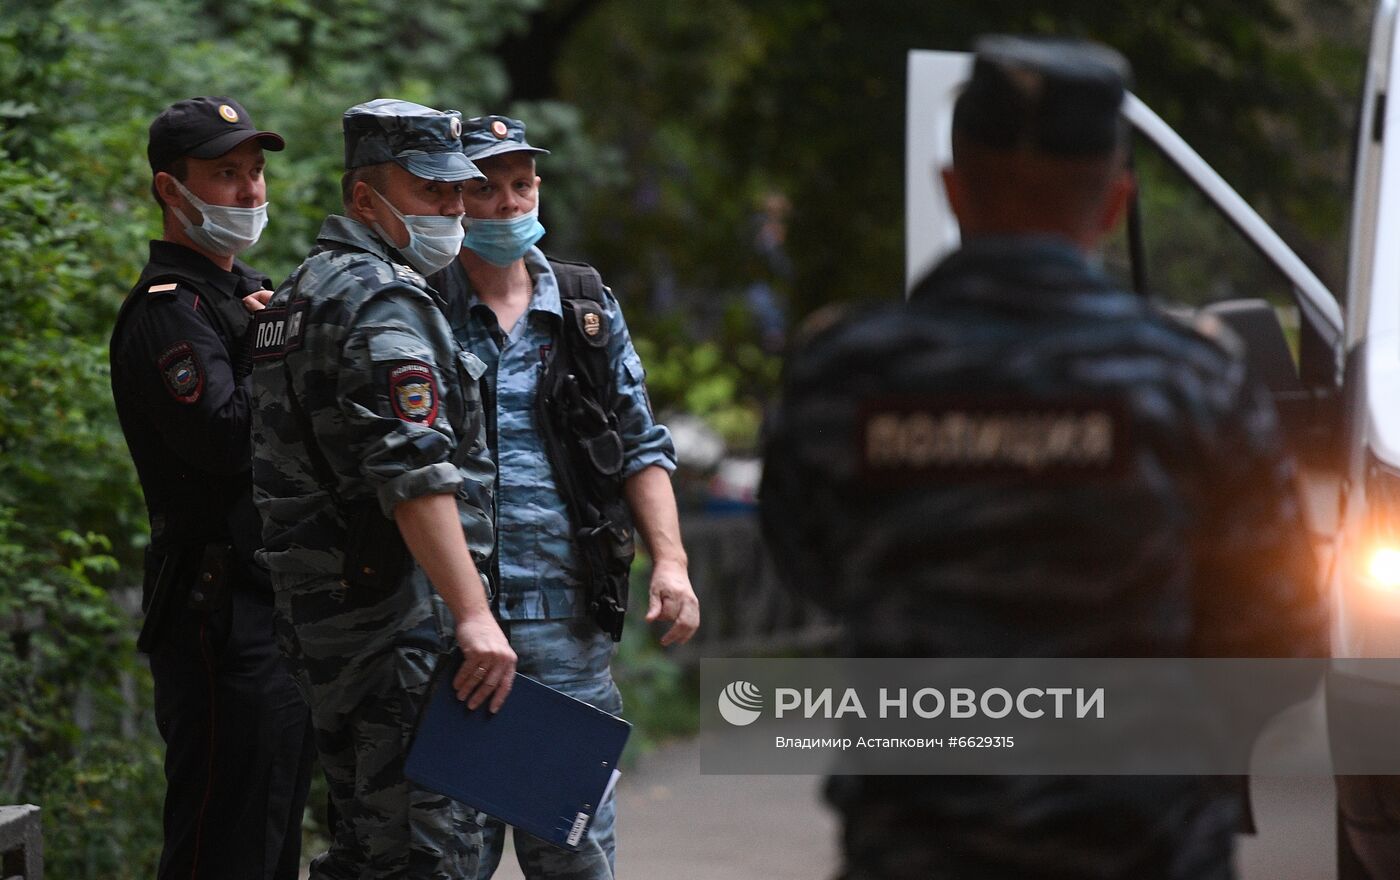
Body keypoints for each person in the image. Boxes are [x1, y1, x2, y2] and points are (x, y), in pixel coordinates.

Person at [758, 36, 1326, 880]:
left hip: (920, 841)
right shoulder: (1191, 378)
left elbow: (811, 567)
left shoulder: (850, 370)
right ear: (1112, 203)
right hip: (1143, 840)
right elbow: (1280, 640)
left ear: (952, 189)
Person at [430, 114, 700, 879]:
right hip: (449, 627)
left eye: (522, 185)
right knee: (451, 857)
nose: (510, 204)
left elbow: (640, 444)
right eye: (486, 189)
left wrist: (671, 563)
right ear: (454, 198)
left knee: (573, 855)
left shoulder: (585, 308)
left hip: (565, 630)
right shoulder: (420, 307)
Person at [249, 98, 513, 877]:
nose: (454, 209)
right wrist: (473, 616)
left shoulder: (298, 294)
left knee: (365, 848)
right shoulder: (383, 299)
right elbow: (415, 474)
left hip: (329, 628)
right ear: (365, 198)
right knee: (426, 857)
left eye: (459, 191)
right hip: (398, 631)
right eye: (432, 191)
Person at [109, 96, 315, 880]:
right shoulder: (171, 313)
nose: (251, 192)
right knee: (221, 843)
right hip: (217, 615)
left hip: (271, 607)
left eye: (256, 172)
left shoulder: (239, 297)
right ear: (171, 189)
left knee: (270, 833)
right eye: (225, 175)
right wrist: (278, 351)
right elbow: (226, 438)